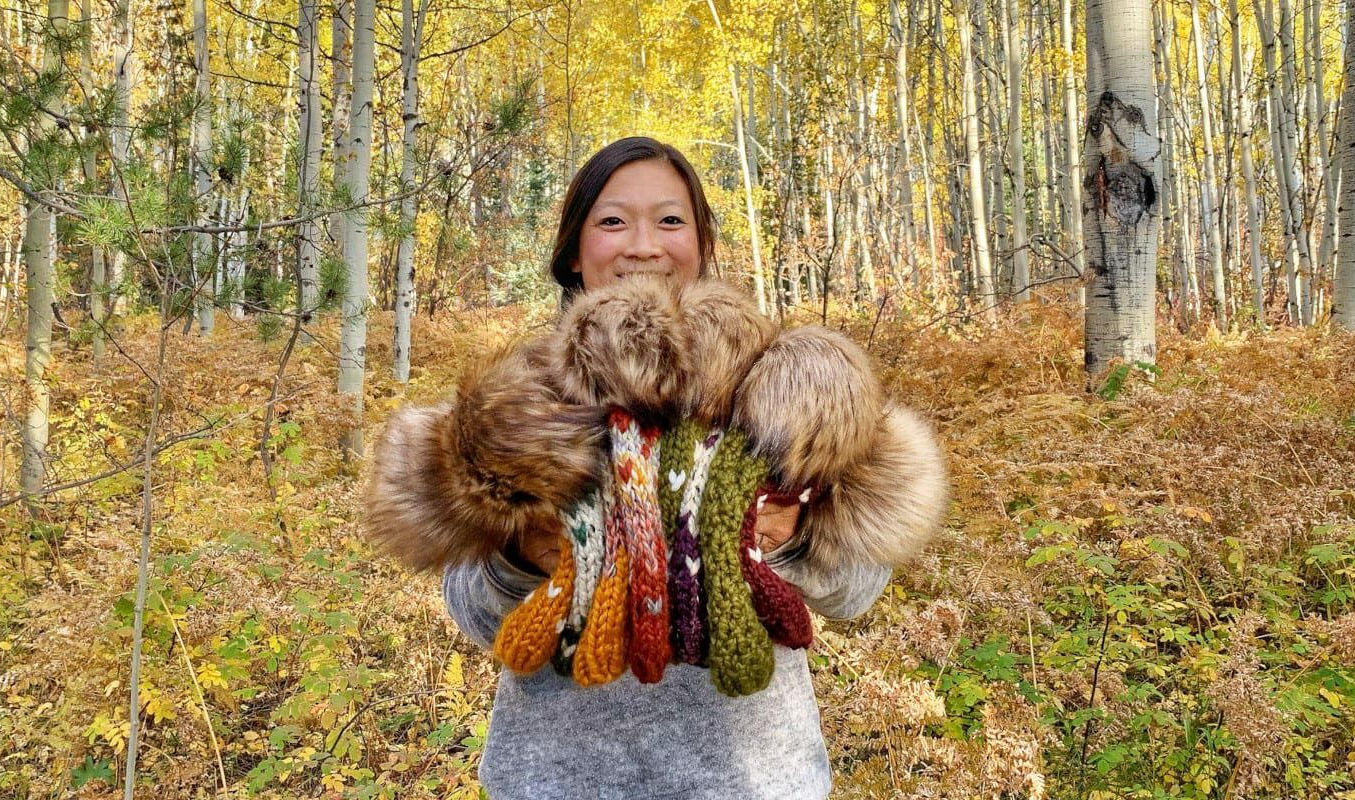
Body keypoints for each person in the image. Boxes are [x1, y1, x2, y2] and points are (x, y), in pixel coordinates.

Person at [381, 137, 938, 799]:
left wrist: (783, 541)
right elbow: (472, 610)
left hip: (752, 782)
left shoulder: (787, 391)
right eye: (612, 221)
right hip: (558, 782)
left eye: (670, 221)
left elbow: (857, 591)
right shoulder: (517, 404)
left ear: (702, 244)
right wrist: (529, 558)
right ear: (573, 252)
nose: (643, 246)